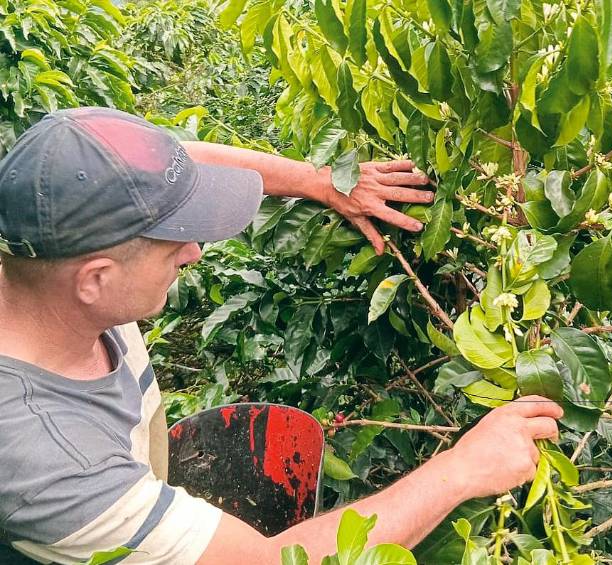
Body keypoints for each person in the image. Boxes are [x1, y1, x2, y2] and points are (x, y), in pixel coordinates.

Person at [0, 107, 562, 564]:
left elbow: (167, 166)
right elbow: (268, 564)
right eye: (176, 244)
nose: (195, 252)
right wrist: (461, 470)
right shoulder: (52, 461)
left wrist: (323, 183)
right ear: (95, 279)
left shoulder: (37, 228)